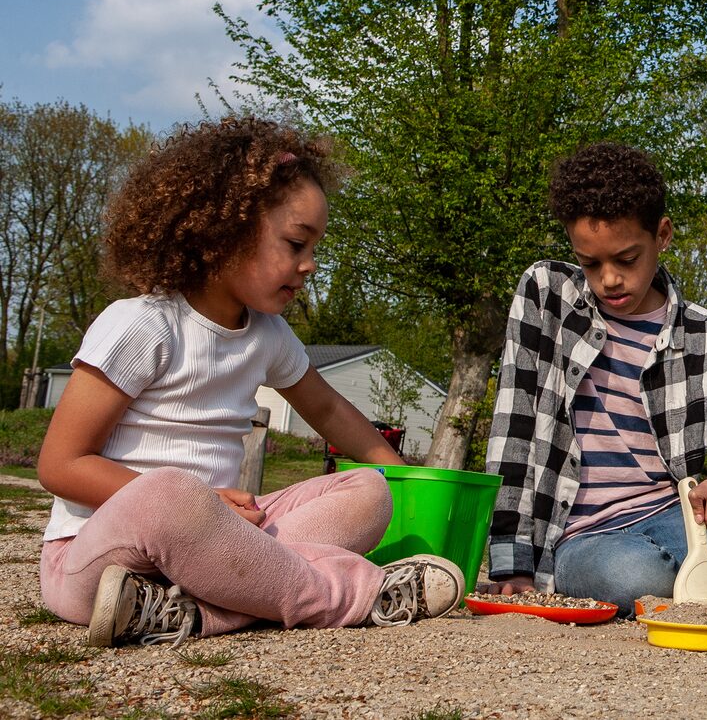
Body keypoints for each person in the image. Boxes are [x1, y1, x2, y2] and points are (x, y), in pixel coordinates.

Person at [36, 118, 464, 648]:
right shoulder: (142, 324)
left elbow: (328, 410)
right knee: (170, 494)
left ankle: (195, 613)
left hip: (224, 544)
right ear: (223, 232)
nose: (309, 265)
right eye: (295, 243)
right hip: (98, 563)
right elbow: (60, 465)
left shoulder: (268, 335)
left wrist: (403, 477)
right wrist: (204, 503)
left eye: (314, 249)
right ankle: (354, 595)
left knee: (368, 491)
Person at [484, 142, 707, 611]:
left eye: (627, 259)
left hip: (679, 522)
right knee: (635, 576)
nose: (608, 279)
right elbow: (513, 425)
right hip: (581, 534)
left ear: (663, 235)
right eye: (590, 263)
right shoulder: (546, 295)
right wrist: (511, 562)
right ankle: (692, 592)